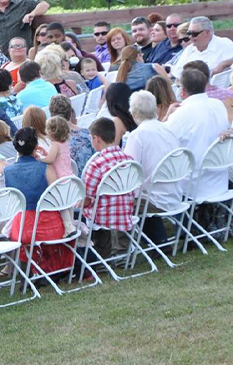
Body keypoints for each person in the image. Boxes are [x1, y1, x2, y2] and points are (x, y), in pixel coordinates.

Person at [4, 128, 74, 276]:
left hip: (21, 230)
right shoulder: (46, 167)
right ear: (36, 146)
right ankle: (51, 268)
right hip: (49, 227)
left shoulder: (8, 171)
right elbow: (59, 198)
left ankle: (30, 270)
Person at [123, 91, 184, 249]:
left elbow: (129, 172)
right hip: (176, 192)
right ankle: (158, 240)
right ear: (155, 110)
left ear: (134, 114)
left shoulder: (137, 136)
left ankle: (121, 248)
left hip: (154, 198)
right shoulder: (168, 129)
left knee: (120, 197)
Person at [164, 68, 231, 208]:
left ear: (182, 91)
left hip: (192, 186)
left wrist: (166, 117)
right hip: (219, 182)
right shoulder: (218, 105)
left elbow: (161, 141)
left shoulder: (181, 113)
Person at [82, 118, 139, 259]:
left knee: (81, 211)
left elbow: (88, 198)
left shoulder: (96, 165)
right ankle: (119, 251)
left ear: (96, 138)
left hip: (103, 217)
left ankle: (99, 256)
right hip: (126, 212)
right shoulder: (129, 159)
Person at [48, 95, 94, 175]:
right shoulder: (89, 134)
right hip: (90, 177)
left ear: (51, 116)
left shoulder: (50, 143)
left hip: (67, 181)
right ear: (71, 114)